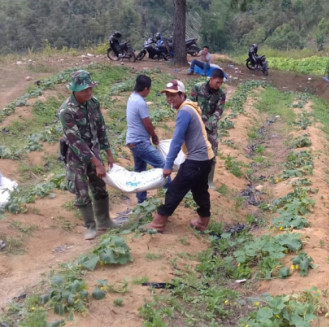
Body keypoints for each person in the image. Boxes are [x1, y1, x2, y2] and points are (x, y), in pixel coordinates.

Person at [147, 80, 214, 233]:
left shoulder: (184, 112)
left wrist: (168, 165)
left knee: (175, 190)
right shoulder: (190, 107)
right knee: (200, 191)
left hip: (196, 159)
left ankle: (158, 223)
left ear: (182, 95)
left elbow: (177, 141)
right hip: (206, 158)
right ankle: (203, 222)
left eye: (173, 95)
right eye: (167, 96)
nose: (169, 99)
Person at [59, 70, 118, 240]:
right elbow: (75, 140)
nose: (89, 93)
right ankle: (90, 226)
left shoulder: (93, 103)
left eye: (90, 89)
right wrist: (97, 163)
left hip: (95, 151)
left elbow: (101, 128)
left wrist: (108, 152)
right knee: (81, 190)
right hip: (76, 156)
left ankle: (104, 221)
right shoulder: (66, 111)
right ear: (75, 90)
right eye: (85, 90)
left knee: (99, 185)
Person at [125, 74, 167, 204]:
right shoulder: (140, 102)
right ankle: (172, 195)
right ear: (146, 88)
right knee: (163, 166)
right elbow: (147, 123)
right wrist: (154, 136)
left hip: (132, 141)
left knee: (139, 171)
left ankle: (141, 202)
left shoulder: (132, 97)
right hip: (140, 142)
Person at [190, 68, 226, 188]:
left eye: (221, 83)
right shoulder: (198, 87)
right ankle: (192, 178)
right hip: (195, 124)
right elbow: (190, 105)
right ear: (211, 79)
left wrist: (208, 125)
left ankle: (209, 181)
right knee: (193, 153)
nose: (219, 85)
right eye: (217, 82)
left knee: (212, 152)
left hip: (210, 126)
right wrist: (197, 123)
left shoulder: (221, 94)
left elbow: (218, 112)